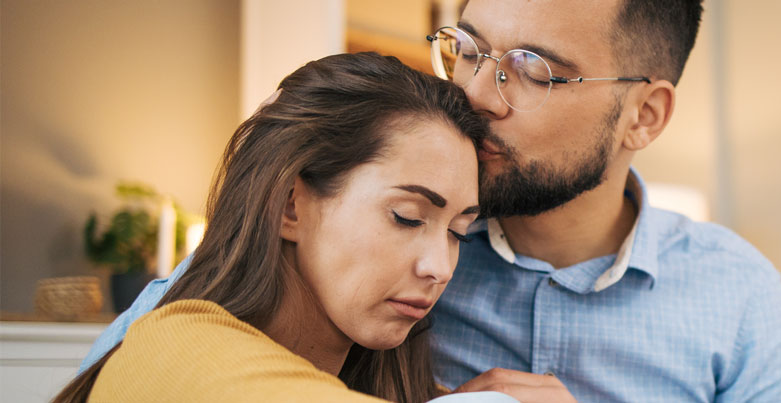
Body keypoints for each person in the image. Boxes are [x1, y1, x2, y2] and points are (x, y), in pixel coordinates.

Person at [84, 0, 781, 401]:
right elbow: (149, 356)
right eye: (468, 48)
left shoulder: (736, 292)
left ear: (644, 116)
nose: (473, 93)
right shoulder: (360, 261)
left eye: (531, 70)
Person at [58, 52, 515, 403]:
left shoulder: (377, 380)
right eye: (407, 217)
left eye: (456, 231)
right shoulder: (170, 346)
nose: (439, 267)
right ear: (290, 205)